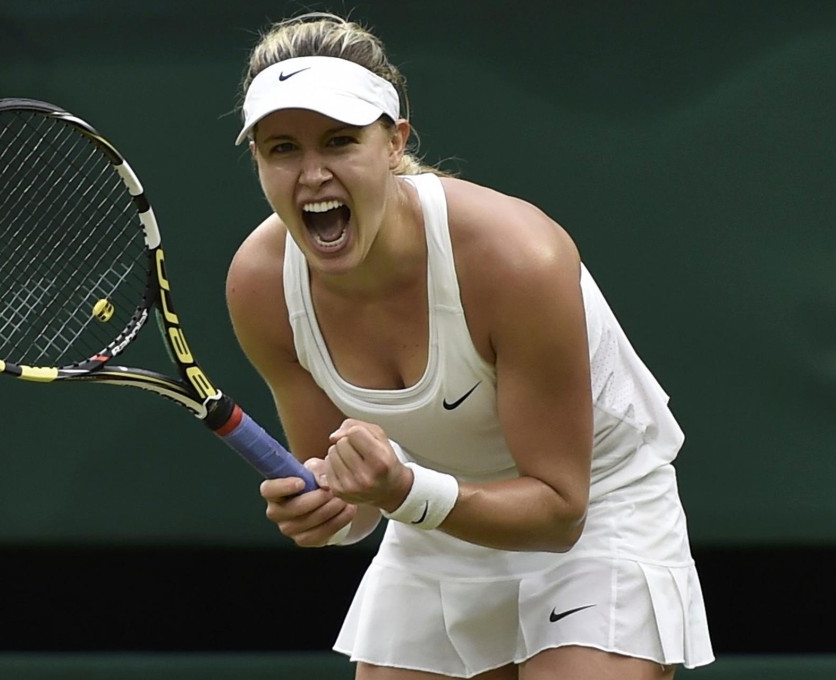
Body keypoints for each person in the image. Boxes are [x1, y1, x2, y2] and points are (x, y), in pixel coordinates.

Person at [225, 12, 713, 680]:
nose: (312, 174)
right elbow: (354, 505)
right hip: (433, 528)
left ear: (394, 143)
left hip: (595, 516)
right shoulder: (260, 287)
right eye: (282, 149)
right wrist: (329, 510)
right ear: (257, 159)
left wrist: (399, 488)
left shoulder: (517, 258)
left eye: (338, 142)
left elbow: (558, 512)